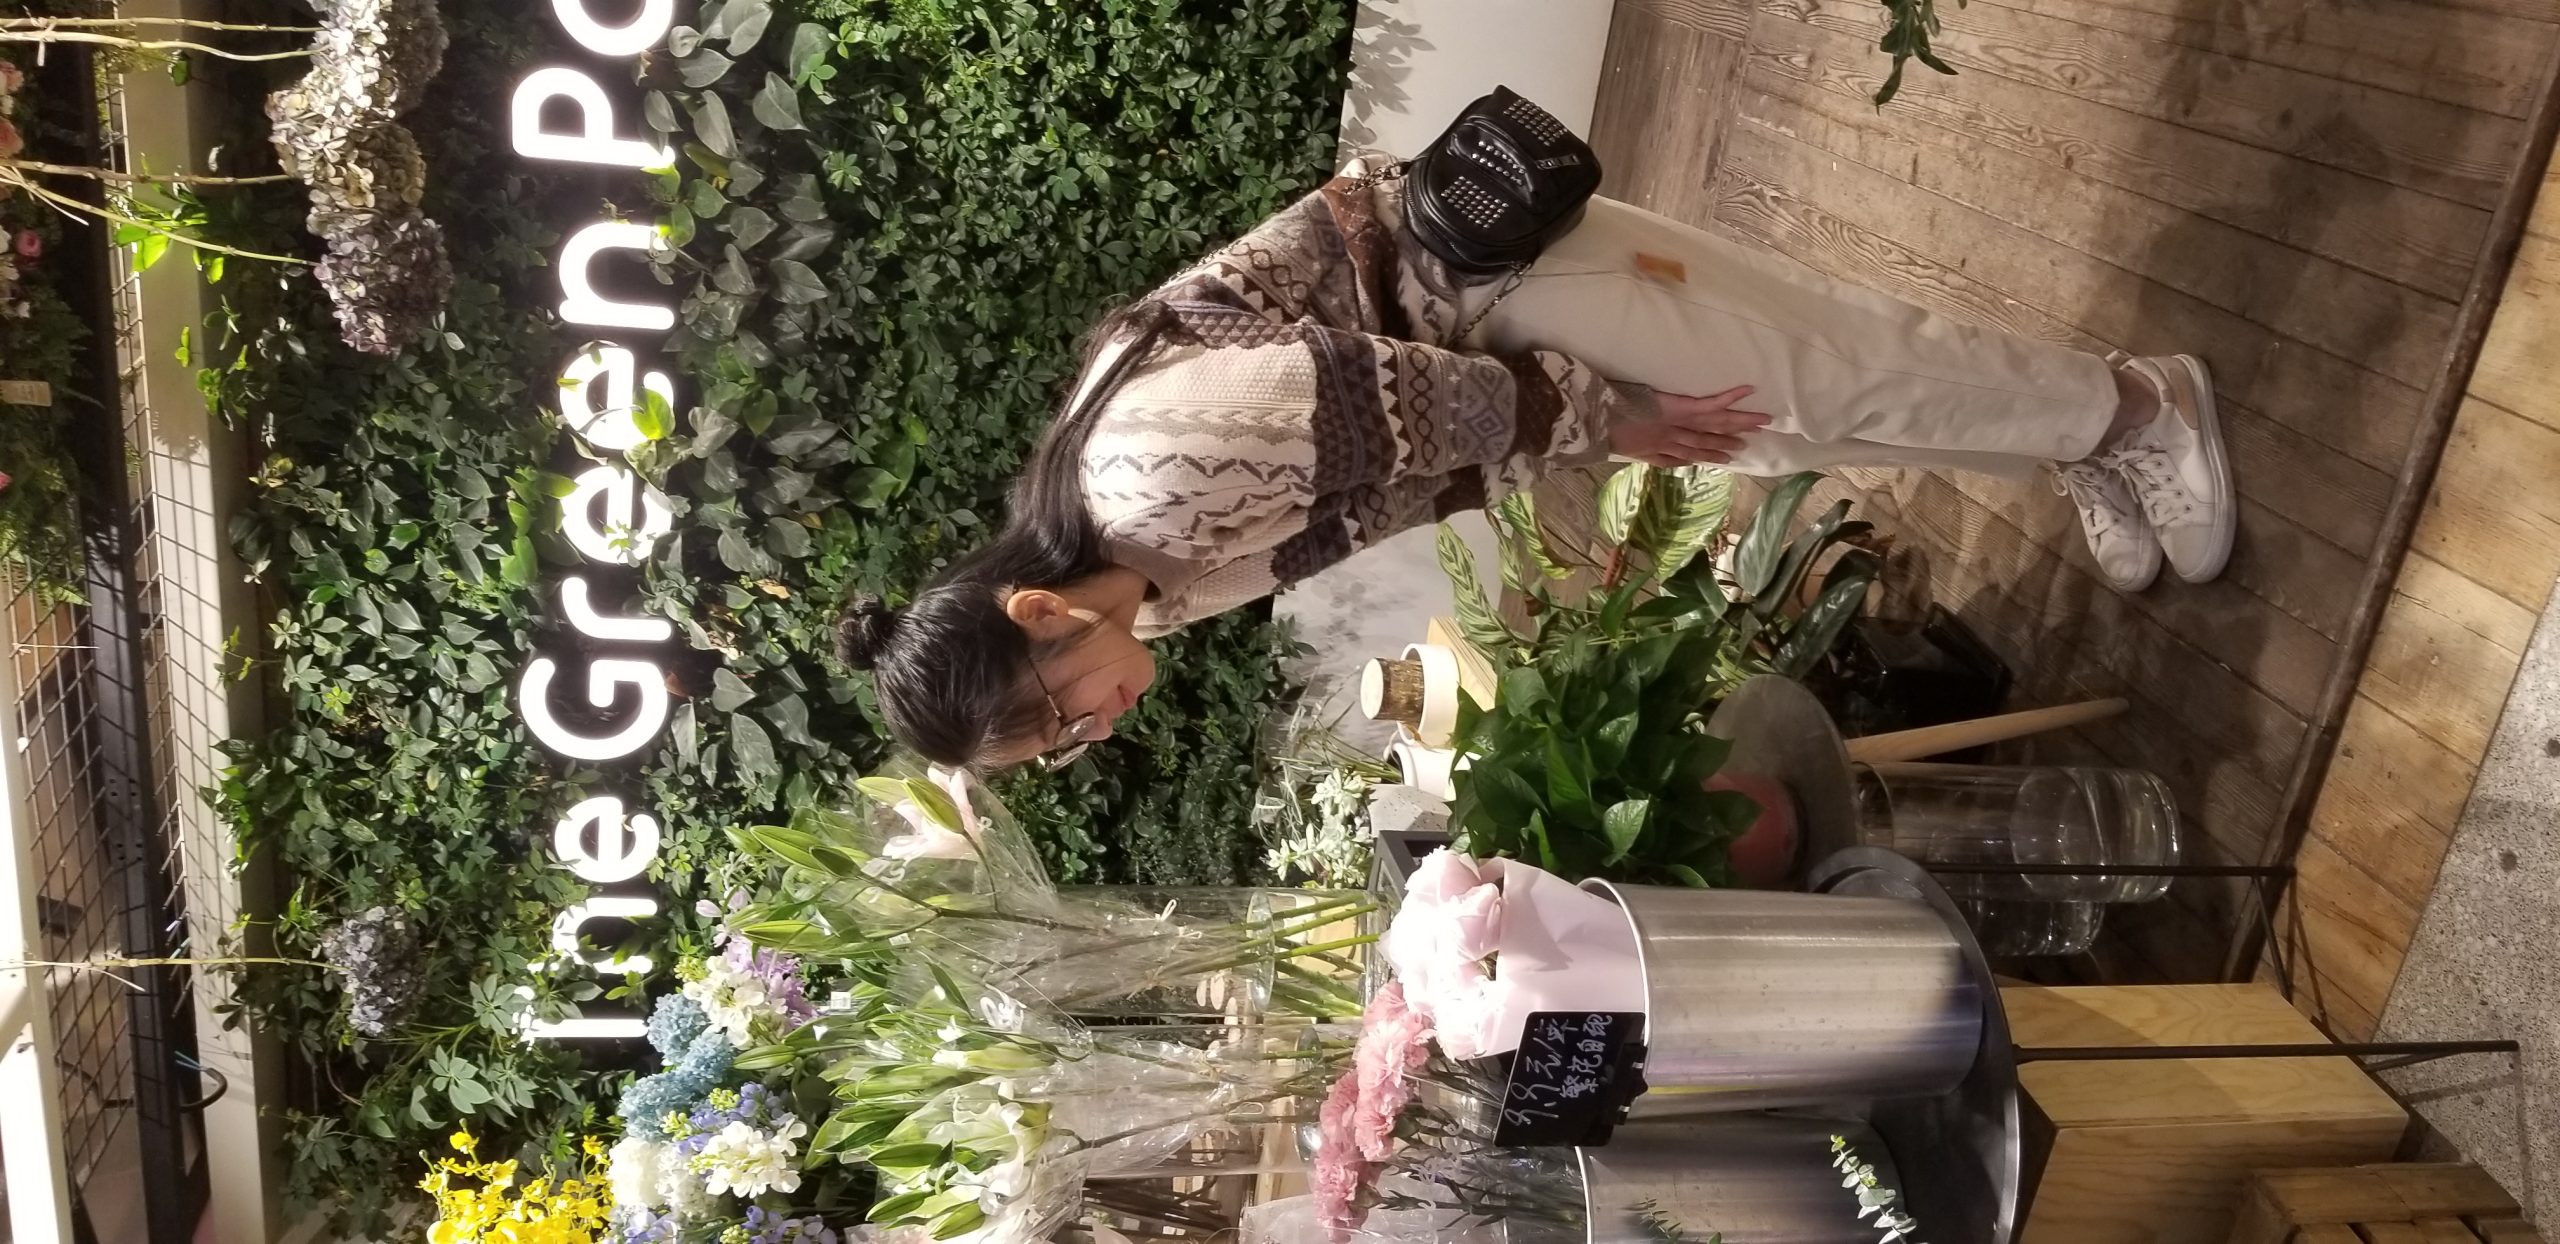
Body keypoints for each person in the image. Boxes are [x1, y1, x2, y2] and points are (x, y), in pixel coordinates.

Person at [838, 157, 2232, 771]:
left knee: (1820, 371)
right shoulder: (1152, 593)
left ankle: (2137, 409)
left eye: (1059, 713)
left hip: (1484, 287)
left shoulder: (1147, 479)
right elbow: (1395, 491)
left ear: (1039, 612)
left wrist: (1605, 429)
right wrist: (1585, 445)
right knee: (1787, 423)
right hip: (1485, 350)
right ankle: (2078, 440)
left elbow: (1434, 401)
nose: (1095, 730)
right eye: (1066, 747)